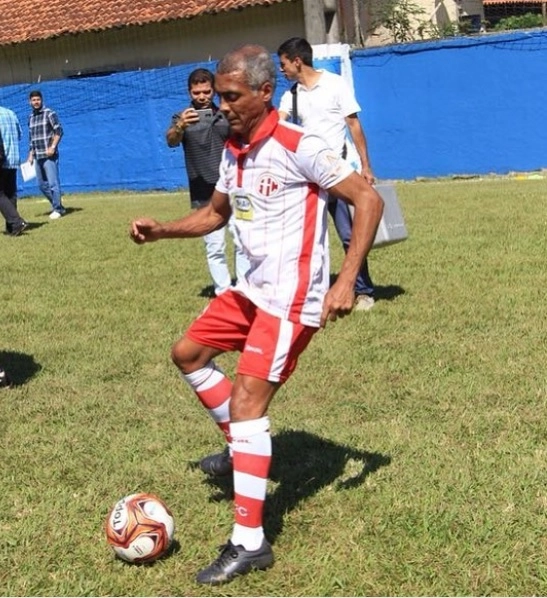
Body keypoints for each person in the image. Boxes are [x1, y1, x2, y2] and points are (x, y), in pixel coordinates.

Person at [130, 44, 383, 585]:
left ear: (265, 93)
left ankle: (249, 542)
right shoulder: (234, 148)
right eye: (218, 96)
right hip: (251, 291)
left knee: (247, 402)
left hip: (292, 300)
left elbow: (368, 199)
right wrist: (164, 231)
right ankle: (236, 449)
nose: (222, 106)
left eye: (232, 96)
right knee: (188, 354)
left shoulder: (299, 144)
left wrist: (345, 279)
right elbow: (215, 214)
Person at [277, 37, 377, 311]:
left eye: (283, 64)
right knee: (310, 238)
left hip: (340, 174)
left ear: (297, 61)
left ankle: (364, 290)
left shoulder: (334, 84)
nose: (281, 70)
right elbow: (278, 125)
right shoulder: (291, 95)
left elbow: (354, 126)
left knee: (349, 235)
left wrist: (366, 167)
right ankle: (312, 292)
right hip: (309, 179)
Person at [166, 68, 249, 295]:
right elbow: (171, 141)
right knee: (214, 246)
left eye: (206, 91)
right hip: (203, 191)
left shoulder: (226, 112)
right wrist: (181, 126)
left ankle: (243, 290)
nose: (202, 97)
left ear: (214, 90)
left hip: (234, 187)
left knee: (243, 241)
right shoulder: (181, 118)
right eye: (196, 92)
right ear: (189, 92)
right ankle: (223, 293)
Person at [27, 90, 66, 219]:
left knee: (53, 183)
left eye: (38, 99)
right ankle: (58, 205)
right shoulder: (30, 118)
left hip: (49, 155)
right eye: (33, 100)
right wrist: (31, 154)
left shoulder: (49, 113)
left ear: (41, 100)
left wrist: (53, 146)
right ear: (30, 102)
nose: (36, 102)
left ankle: (57, 209)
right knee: (42, 185)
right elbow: (31, 137)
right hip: (38, 156)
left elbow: (59, 131)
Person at [0, 105, 27, 236]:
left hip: (2, 158)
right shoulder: (10, 113)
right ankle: (12, 227)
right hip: (14, 157)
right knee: (10, 193)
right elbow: (19, 134)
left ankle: (16, 222)